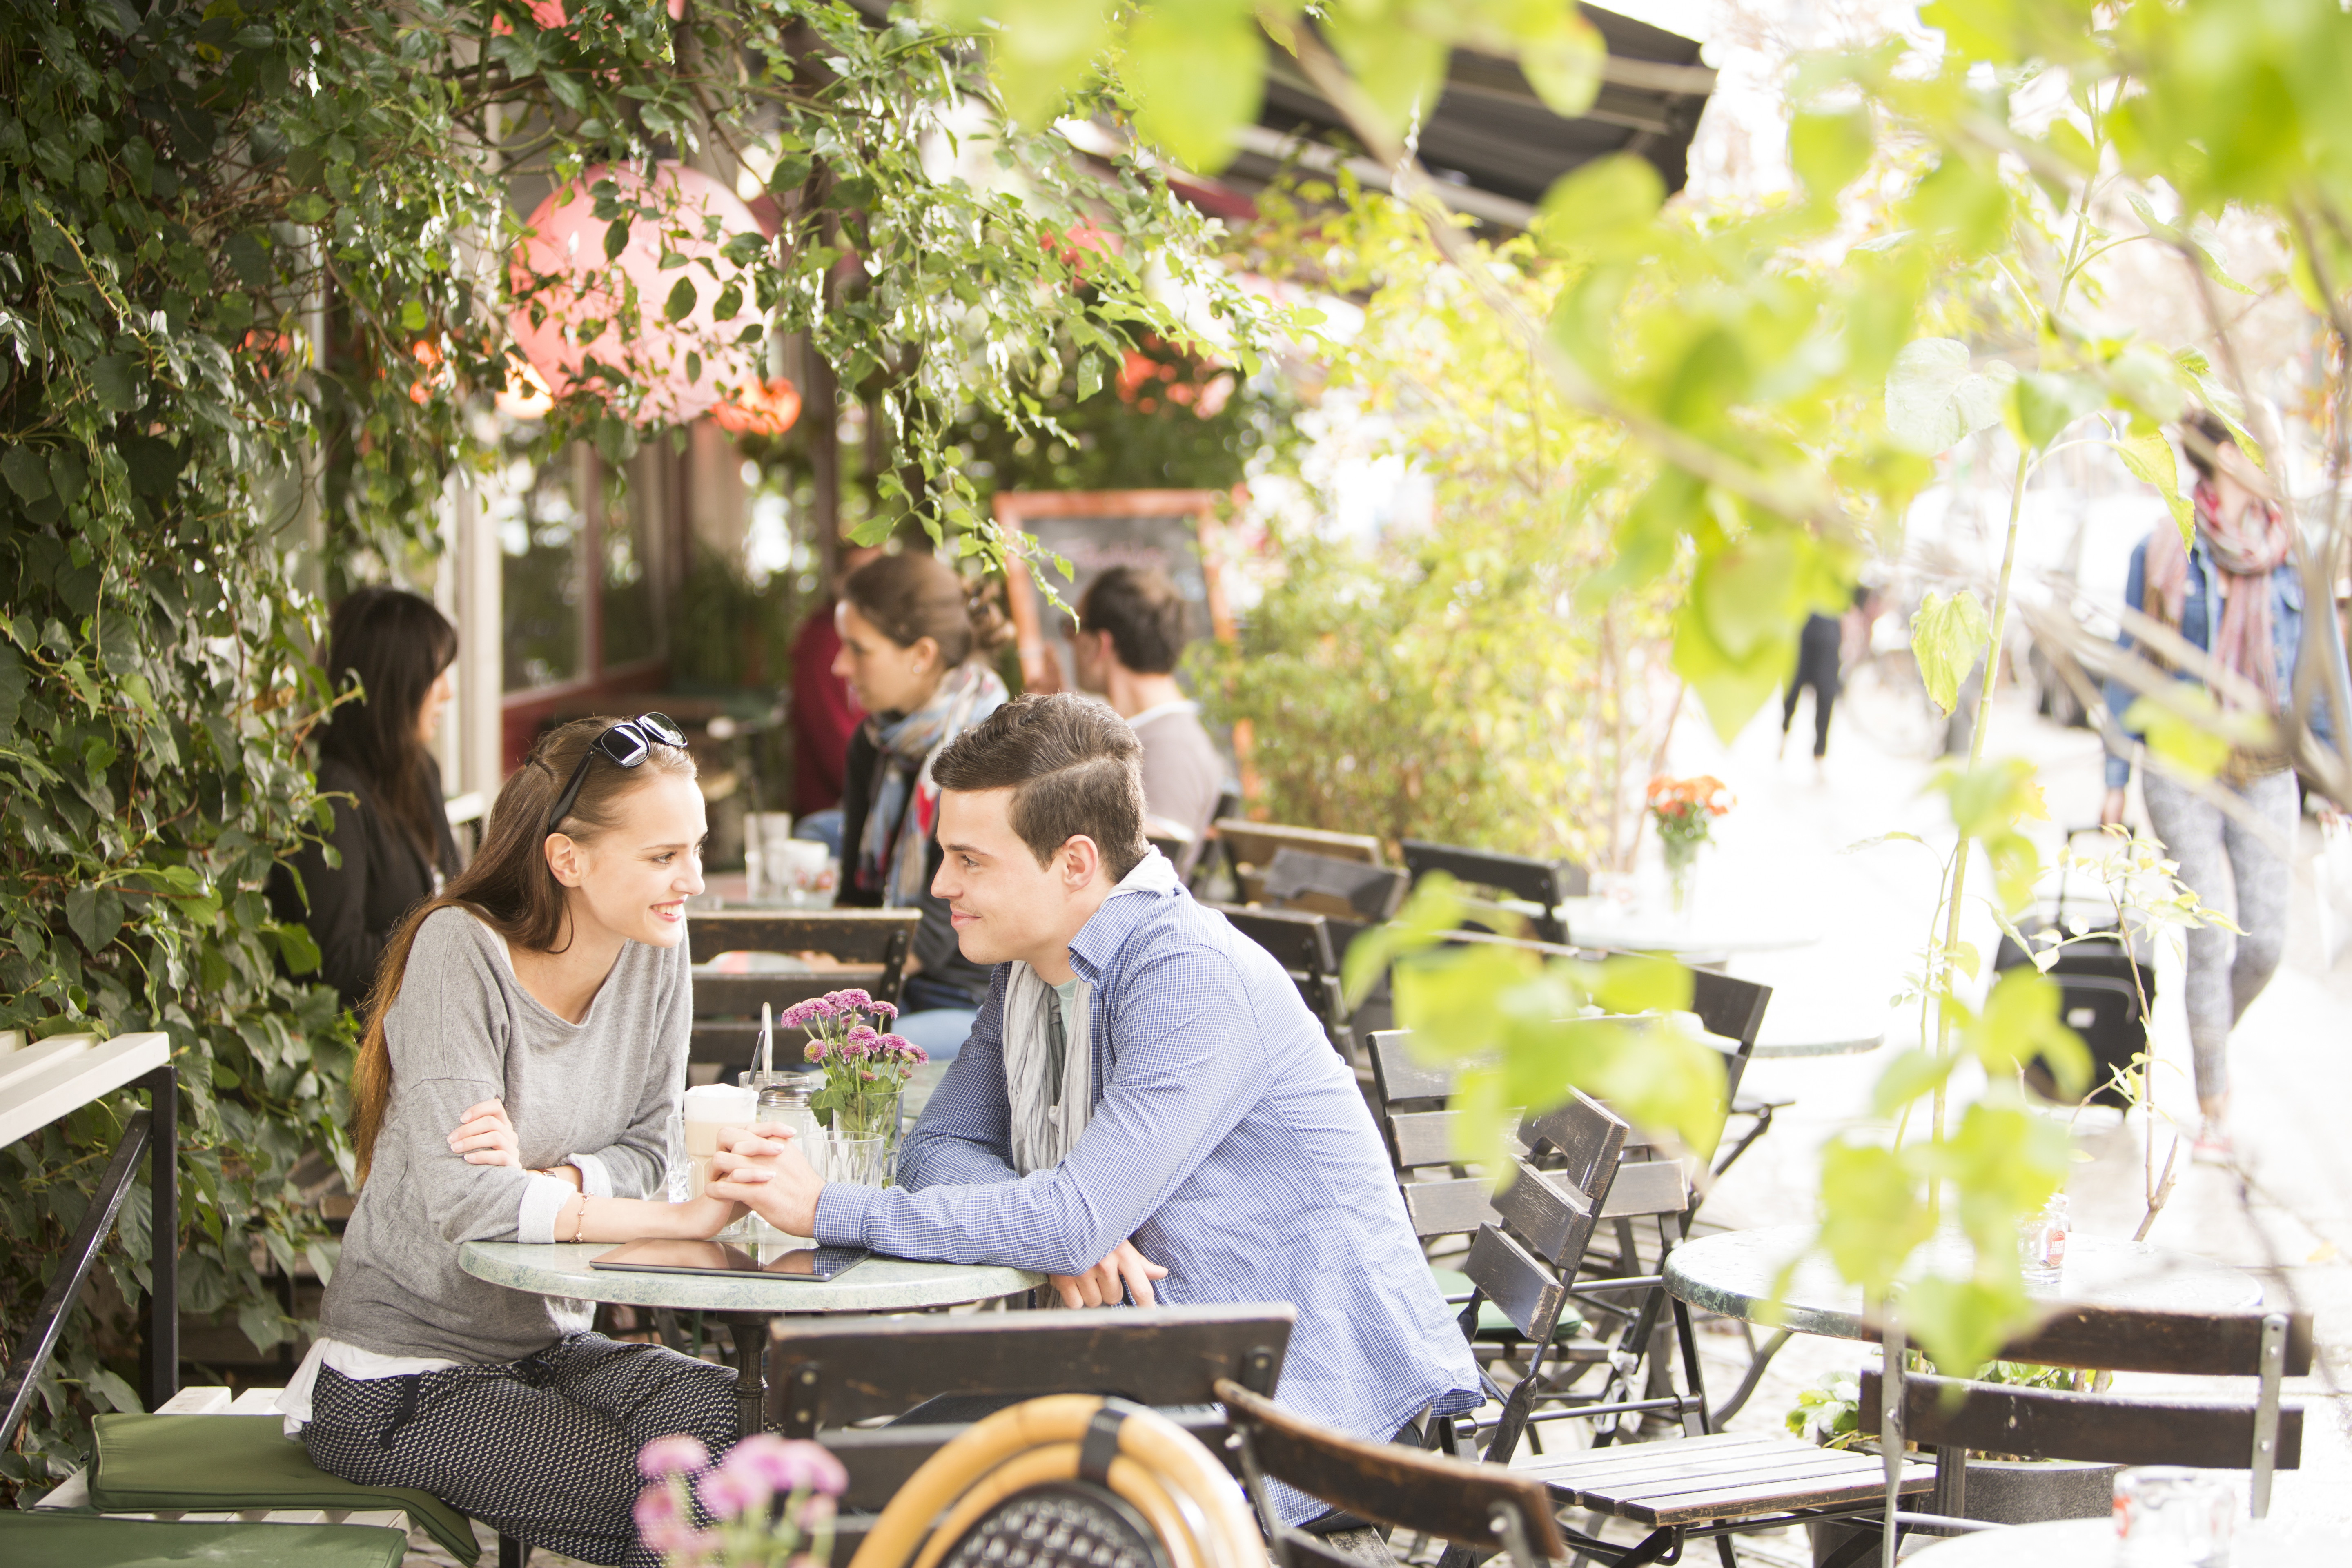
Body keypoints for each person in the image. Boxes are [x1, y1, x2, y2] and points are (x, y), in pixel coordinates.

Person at [707, 694, 1481, 1525]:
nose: (942, 887)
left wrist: (829, 1208)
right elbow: (943, 1143)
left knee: (870, 1508)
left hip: (1299, 1422)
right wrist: (1068, 1214)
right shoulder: (1029, 963)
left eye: (970, 861)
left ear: (1075, 863)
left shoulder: (1185, 972)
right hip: (1148, 1372)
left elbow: (1065, 1219)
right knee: (838, 1490)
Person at [276, 715, 767, 1568]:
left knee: (743, 1422)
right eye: (663, 857)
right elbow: (469, 1204)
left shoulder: (656, 945)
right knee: (695, 1504)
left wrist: (554, 1177)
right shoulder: (457, 954)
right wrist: (681, 1222)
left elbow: (651, 1145)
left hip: (547, 1347)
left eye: (696, 848)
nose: (691, 879)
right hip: (400, 1377)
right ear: (567, 860)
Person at [2100, 410, 2345, 1161]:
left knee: (2265, 942)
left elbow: (2323, 662)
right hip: (2180, 763)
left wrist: (2336, 770)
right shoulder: (2164, 544)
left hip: (2265, 762)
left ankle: (2206, 1040)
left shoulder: (2291, 547)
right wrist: (2116, 771)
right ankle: (2213, 1113)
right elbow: (2130, 656)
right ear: (2222, 456)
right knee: (2210, 937)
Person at [833, 552, 1012, 1060]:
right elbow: (856, 901)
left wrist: (834, 974)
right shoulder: (874, 744)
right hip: (891, 985)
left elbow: (935, 935)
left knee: (824, 1060)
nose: (839, 666)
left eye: (858, 650)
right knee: (753, 1050)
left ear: (921, 654)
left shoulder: (992, 749)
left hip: (972, 1000)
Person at [270, 586, 464, 1010]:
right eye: (435, 675)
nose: (447, 692)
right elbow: (335, 961)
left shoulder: (418, 770)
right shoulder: (332, 797)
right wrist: (447, 931)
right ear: (395, 684)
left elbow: (454, 894)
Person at [1068, 566, 1224, 865]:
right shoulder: (1160, 734)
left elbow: (1151, 869)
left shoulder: (1171, 749)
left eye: (1072, 628)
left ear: (1100, 644)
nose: (1070, 643)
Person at [786, 541, 885, 860]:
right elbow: (836, 745)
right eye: (860, 575)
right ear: (839, 583)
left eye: (879, 575)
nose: (872, 586)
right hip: (839, 806)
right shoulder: (823, 643)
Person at [1779, 609, 1844, 773]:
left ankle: (1819, 755)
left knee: (1826, 698)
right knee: (1792, 690)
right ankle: (1784, 736)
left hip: (1827, 633)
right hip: (1805, 627)